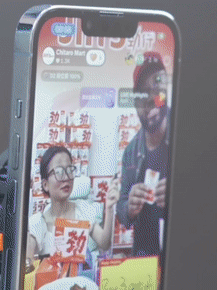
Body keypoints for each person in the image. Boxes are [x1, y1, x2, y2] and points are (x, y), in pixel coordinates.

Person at [116, 52, 171, 256]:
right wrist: (129, 207)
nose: (150, 100)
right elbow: (122, 212)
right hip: (143, 258)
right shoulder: (130, 152)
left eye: (156, 89)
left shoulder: (186, 135)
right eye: (143, 94)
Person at [26, 145, 119, 265]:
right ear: (45, 185)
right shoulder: (38, 222)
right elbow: (27, 263)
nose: (66, 178)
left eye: (70, 170)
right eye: (59, 172)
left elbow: (104, 243)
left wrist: (109, 208)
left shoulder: (83, 209)